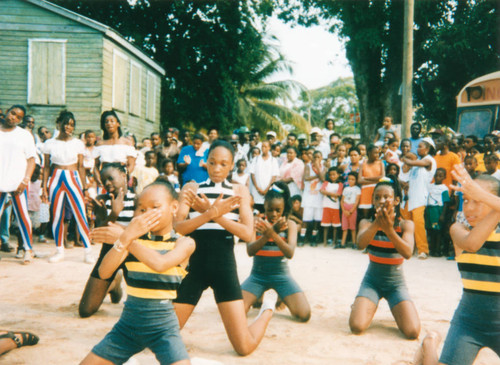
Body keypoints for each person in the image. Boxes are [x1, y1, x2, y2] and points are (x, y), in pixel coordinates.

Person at [173, 140, 275, 356]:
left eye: (223, 164)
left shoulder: (239, 191)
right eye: (212, 163)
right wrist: (209, 214)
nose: (217, 169)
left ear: (231, 166)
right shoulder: (192, 188)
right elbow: (178, 227)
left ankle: (267, 309)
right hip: (194, 269)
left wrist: (213, 213)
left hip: (224, 268)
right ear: (205, 163)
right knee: (164, 334)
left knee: (244, 347)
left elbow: (248, 234)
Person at [81, 180, 195, 365]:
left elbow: (161, 264)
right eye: (141, 209)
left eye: (155, 207)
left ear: (174, 207)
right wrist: (124, 240)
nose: (146, 214)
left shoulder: (184, 243)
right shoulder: (130, 242)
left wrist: (125, 239)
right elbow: (104, 272)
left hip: (164, 330)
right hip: (127, 328)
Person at [414, 166, 500, 365]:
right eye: (466, 200)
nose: (468, 208)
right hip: (468, 323)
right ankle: (430, 345)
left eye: (478, 201)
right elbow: (473, 244)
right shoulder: (459, 229)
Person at [349, 176, 420, 339]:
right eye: (377, 197)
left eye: (386, 197)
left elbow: (408, 253)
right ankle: (360, 304)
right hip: (372, 282)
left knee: (412, 332)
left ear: (396, 200)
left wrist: (389, 230)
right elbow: (360, 244)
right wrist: (377, 224)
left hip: (396, 284)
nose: (381, 200)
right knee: (356, 326)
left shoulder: (405, 225)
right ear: (373, 201)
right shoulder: (367, 223)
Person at [241, 181, 311, 322]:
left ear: (284, 208)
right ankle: (262, 296)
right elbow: (250, 251)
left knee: (304, 314)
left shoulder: (290, 225)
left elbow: (290, 253)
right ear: (264, 206)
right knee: (237, 312)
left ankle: (278, 295)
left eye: (278, 210)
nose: (274, 214)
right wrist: (267, 235)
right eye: (270, 209)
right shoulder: (256, 222)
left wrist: (272, 234)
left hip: (281, 276)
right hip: (257, 276)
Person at [78, 163, 135, 318]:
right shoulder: (101, 200)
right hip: (109, 253)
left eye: (111, 178)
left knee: (139, 308)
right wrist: (113, 214)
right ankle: (113, 282)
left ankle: (114, 280)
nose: (107, 183)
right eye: (104, 180)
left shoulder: (138, 199)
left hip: (134, 254)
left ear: (124, 176)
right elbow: (99, 233)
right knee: (85, 310)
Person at [41, 110, 94, 264]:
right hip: (56, 178)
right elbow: (45, 167)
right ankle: (59, 250)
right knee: (56, 214)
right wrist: (44, 187)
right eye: (65, 123)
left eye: (71, 125)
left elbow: (81, 167)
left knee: (80, 213)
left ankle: (88, 251)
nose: (67, 127)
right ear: (59, 123)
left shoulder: (78, 143)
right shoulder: (49, 143)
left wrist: (84, 188)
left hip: (73, 177)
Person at [0, 105, 36, 264]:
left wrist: (25, 179)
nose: (13, 117)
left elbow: (31, 160)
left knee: (22, 216)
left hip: (18, 182)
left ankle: (28, 249)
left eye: (18, 117)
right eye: (12, 113)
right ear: (7, 111)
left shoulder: (24, 135)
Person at [400, 138, 437, 259]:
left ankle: (423, 250)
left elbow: (410, 163)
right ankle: (409, 248)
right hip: (410, 197)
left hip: (420, 198)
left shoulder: (429, 160)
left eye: (420, 146)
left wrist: (403, 158)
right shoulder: (419, 162)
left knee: (418, 224)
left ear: (428, 148)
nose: (418, 149)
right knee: (407, 223)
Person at [93, 111, 137, 187]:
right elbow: (95, 166)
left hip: (120, 179)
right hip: (104, 179)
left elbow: (131, 164)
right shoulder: (99, 144)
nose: (109, 123)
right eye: (106, 122)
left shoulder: (127, 143)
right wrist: (98, 177)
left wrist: (123, 176)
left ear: (118, 124)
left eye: (112, 121)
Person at [249, 140, 280, 213]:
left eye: (265, 146)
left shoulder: (273, 160)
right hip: (256, 192)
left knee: (267, 209)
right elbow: (252, 174)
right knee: (256, 211)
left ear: (269, 148)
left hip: (268, 191)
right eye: (262, 146)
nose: (263, 148)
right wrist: (257, 188)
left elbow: (274, 176)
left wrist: (267, 189)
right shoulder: (256, 159)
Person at [302, 150, 325, 246]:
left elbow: (323, 179)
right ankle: (302, 237)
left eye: (318, 157)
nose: (316, 159)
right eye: (314, 157)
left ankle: (313, 238)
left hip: (318, 197)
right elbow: (306, 178)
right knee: (306, 218)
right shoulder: (308, 166)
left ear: (321, 158)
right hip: (309, 196)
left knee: (317, 219)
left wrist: (318, 169)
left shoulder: (324, 167)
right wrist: (317, 175)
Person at [425, 168, 450, 257]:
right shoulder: (430, 186)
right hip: (430, 210)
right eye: (436, 175)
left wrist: (442, 214)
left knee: (438, 231)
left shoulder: (444, 188)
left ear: (444, 177)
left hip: (438, 210)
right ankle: (432, 249)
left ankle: (438, 249)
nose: (437, 177)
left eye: (440, 176)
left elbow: (446, 202)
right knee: (431, 230)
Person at [358, 145, 385, 219]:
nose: (377, 155)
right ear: (369, 153)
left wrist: (366, 179)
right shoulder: (362, 164)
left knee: (377, 214)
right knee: (365, 216)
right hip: (365, 191)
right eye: (375, 153)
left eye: (378, 153)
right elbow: (360, 180)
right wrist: (376, 180)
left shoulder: (380, 163)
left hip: (377, 190)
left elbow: (382, 178)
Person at [320, 167, 343, 247]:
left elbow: (338, 194)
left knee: (335, 226)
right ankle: (325, 242)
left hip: (335, 207)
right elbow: (321, 190)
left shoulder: (340, 184)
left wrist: (327, 193)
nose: (332, 176)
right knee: (326, 225)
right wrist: (333, 194)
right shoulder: (326, 182)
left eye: (334, 174)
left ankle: (334, 241)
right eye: (330, 175)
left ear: (338, 175)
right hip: (326, 206)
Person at [340, 172, 361, 248]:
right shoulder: (345, 189)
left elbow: (357, 201)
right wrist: (344, 210)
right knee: (344, 227)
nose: (350, 181)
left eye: (353, 179)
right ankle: (342, 243)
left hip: (352, 209)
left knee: (352, 227)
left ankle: (354, 243)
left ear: (356, 180)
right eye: (349, 179)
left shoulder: (357, 189)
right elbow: (342, 201)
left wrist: (351, 210)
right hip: (345, 209)